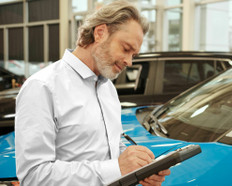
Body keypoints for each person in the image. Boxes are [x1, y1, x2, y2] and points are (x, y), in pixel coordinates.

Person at [15, 1, 170, 185]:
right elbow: (34, 175)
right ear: (100, 33)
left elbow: (111, 148)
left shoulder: (107, 89)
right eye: (126, 49)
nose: (129, 62)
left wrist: (138, 168)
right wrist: (117, 168)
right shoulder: (42, 87)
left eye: (133, 55)